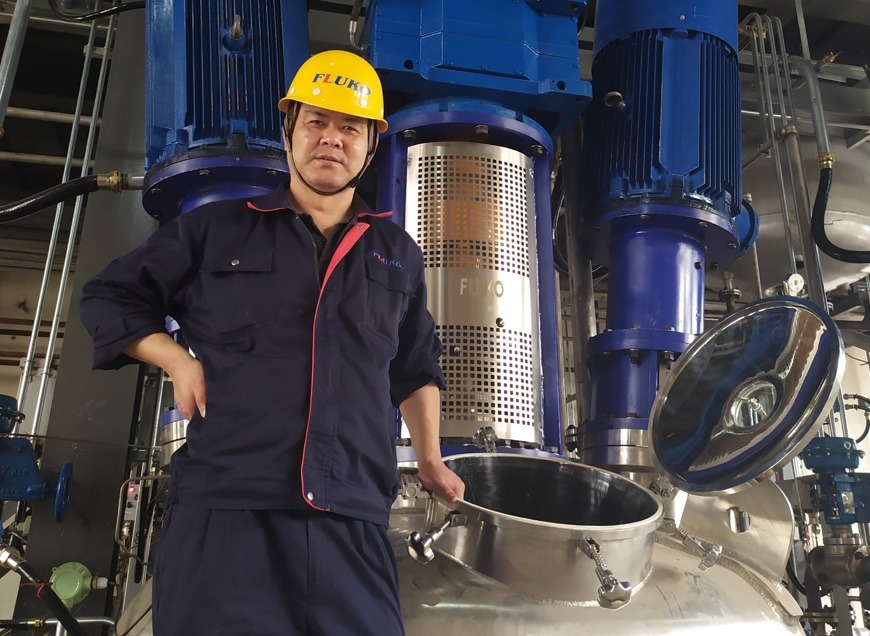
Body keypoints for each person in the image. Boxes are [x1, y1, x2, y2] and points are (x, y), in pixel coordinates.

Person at [79, 49, 464, 636]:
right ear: (289, 133)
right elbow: (109, 296)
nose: (331, 138)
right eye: (316, 121)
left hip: (350, 515)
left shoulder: (395, 254)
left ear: (370, 145)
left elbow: (415, 366)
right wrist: (175, 358)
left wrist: (431, 459)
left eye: (350, 127)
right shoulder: (217, 229)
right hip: (228, 509)